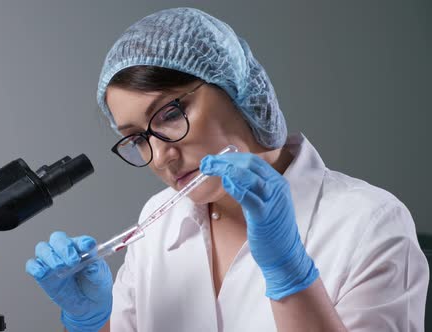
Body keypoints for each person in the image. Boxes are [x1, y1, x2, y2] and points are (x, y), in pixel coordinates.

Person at [25, 7, 428, 332]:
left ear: (236, 87)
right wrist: (91, 324)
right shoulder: (157, 223)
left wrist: (291, 275)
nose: (161, 155)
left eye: (169, 113)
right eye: (137, 138)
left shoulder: (370, 222)